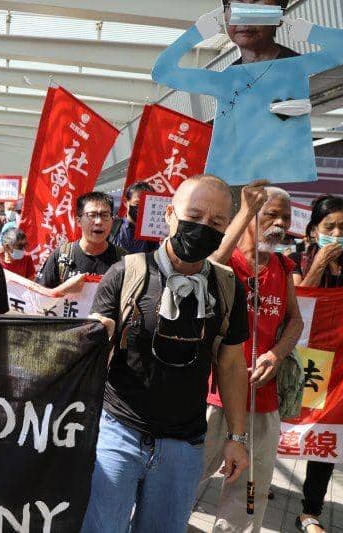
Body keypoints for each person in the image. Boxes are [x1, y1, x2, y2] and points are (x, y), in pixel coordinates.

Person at [81, 175, 250, 533]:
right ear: (170, 215)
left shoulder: (227, 287)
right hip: (118, 433)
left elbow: (232, 365)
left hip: (184, 445)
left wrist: (237, 438)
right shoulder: (128, 273)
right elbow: (94, 342)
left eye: (216, 222)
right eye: (195, 215)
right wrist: (101, 330)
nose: (203, 227)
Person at [153, 2, 343, 184]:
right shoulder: (227, 78)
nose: (245, 21)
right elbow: (162, 71)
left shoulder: (294, 66)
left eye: (257, 10)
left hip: (285, 178)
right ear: (225, 18)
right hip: (229, 180)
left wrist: (308, 31)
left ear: (278, 15)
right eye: (236, 9)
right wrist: (196, 33)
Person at [203, 184, 303, 532]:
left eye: (285, 218)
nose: (279, 224)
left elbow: (295, 321)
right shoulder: (229, 260)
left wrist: (276, 355)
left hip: (263, 400)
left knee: (251, 488)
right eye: (271, 214)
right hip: (214, 396)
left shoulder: (281, 265)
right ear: (249, 217)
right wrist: (245, 209)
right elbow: (210, 263)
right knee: (191, 475)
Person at [292, 195, 343, 533]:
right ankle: (253, 483)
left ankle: (310, 511)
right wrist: (318, 264)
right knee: (278, 422)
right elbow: (298, 300)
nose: (337, 233)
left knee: (326, 429)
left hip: (342, 366)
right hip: (301, 358)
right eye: (329, 227)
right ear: (314, 231)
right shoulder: (292, 261)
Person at [37, 191, 126, 293]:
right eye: (91, 215)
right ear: (78, 221)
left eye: (105, 215)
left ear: (112, 220)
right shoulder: (61, 256)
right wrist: (62, 290)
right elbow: (38, 300)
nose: (99, 222)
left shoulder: (124, 259)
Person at [111, 181, 160, 253]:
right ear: (125, 202)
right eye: (138, 203)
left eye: (147, 204)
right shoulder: (111, 228)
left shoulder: (156, 234)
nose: (143, 208)